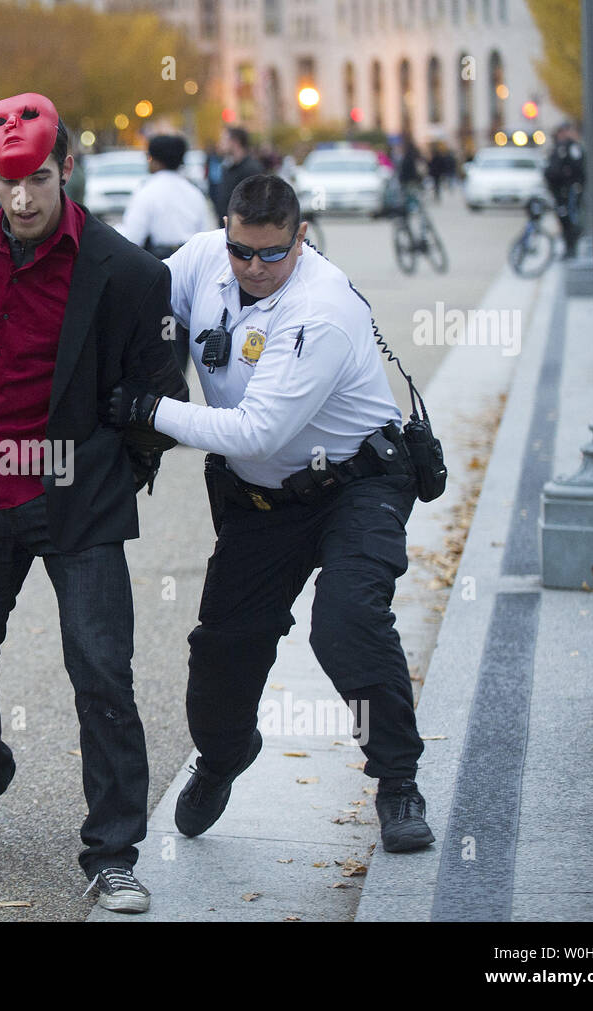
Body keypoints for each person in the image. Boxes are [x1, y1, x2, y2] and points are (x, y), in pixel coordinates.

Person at [103, 173, 435, 857]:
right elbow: (131, 296)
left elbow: (257, 430)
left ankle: (398, 778)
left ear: (300, 237)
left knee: (347, 623)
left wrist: (148, 410)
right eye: (240, 251)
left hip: (356, 485)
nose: (254, 268)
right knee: (224, 647)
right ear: (225, 231)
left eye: (271, 254)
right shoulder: (203, 258)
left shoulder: (322, 307)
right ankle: (224, 756)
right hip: (260, 501)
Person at [0, 92, 188, 914]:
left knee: (101, 669)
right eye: (8, 181)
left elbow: (156, 396)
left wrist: (114, 468)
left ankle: (112, 852)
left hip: (80, 493)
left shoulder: (130, 272)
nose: (24, 198)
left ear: (66, 168)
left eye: (38, 178)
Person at [119, 134, 211, 373]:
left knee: (161, 345)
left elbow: (132, 237)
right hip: (191, 275)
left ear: (154, 159)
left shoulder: (147, 191)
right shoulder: (194, 193)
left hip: (158, 272)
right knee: (182, 346)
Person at [544, 122, 585, 259]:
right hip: (559, 190)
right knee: (563, 218)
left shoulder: (572, 147)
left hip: (568, 190)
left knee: (569, 218)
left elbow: (577, 167)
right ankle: (568, 247)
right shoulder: (558, 147)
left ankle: (571, 248)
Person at [209, 126, 261, 222]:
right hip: (226, 228)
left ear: (235, 142)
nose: (220, 143)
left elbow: (255, 206)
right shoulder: (227, 167)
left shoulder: (252, 169)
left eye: (224, 139)